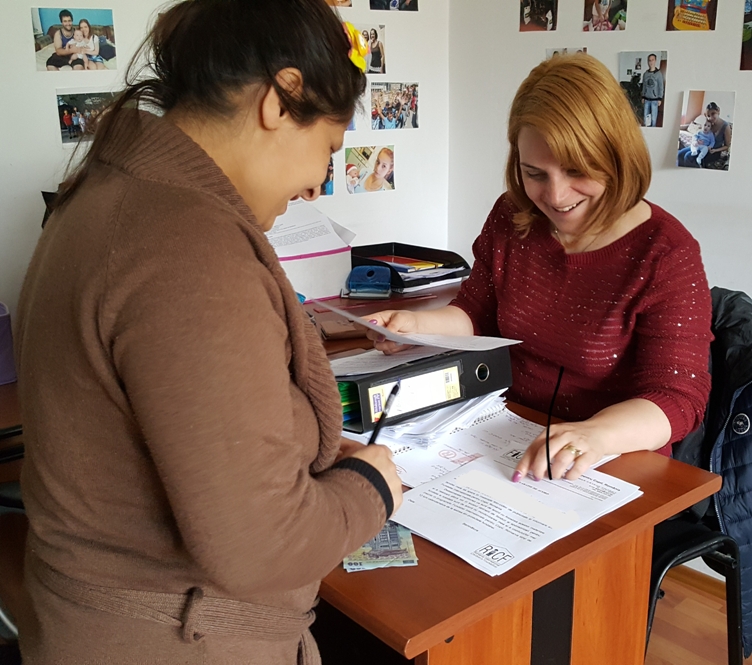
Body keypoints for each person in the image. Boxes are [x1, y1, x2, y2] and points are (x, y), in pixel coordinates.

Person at [15, 1, 402, 663]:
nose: (316, 187)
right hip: (176, 639)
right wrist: (373, 488)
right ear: (281, 100)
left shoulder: (107, 195)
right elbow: (260, 546)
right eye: (328, 151)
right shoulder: (186, 248)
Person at [367, 53, 712, 483]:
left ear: (616, 155)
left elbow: (678, 398)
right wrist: (418, 326)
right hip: (504, 434)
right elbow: (476, 312)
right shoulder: (513, 215)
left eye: (576, 171)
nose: (556, 195)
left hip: (609, 462)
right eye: (535, 173)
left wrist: (594, 436)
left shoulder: (666, 253)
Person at [677, 101, 732, 168]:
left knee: (688, 157)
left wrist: (715, 150)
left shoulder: (725, 126)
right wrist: (697, 141)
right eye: (708, 115)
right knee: (679, 154)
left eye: (713, 114)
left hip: (713, 152)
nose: (710, 118)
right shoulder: (709, 122)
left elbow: (727, 146)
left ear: (718, 111)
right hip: (701, 146)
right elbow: (701, 134)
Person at [641, 53, 664, 127]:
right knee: (646, 119)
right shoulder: (645, 74)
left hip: (655, 100)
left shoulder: (659, 74)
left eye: (652, 60)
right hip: (646, 100)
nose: (651, 62)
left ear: (655, 61)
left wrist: (660, 98)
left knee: (654, 119)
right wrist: (643, 96)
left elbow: (661, 87)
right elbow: (644, 86)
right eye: (649, 60)